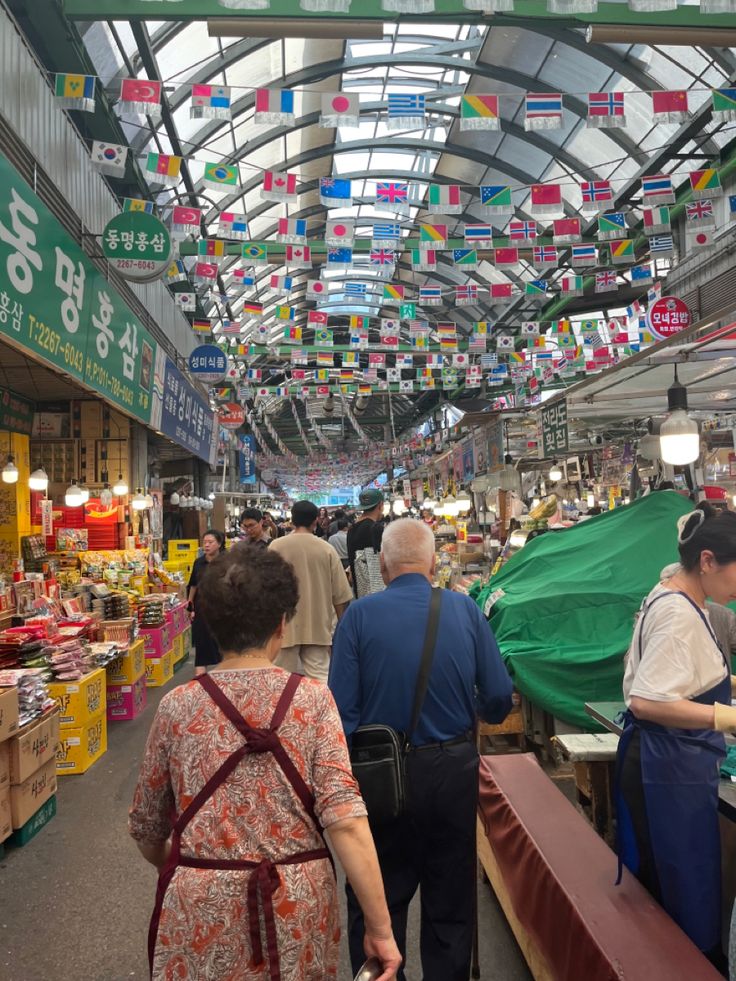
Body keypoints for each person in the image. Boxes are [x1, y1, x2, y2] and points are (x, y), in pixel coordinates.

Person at [129, 547, 401, 981]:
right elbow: (346, 821)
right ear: (281, 624)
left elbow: (147, 827)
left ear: (210, 625)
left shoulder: (177, 707)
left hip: (201, 903)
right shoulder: (313, 700)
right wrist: (380, 928)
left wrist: (183, 864)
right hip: (295, 903)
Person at [329, 519, 514, 981]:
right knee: (450, 902)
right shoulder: (465, 612)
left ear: (383, 566)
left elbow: (339, 714)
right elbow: (496, 699)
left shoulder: (358, 618)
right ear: (433, 564)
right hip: (451, 774)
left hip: (379, 780)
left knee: (377, 903)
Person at [616, 502, 736, 964]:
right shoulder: (679, 614)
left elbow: (687, 672)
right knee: (681, 890)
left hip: (667, 763)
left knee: (673, 886)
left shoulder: (673, 593)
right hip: (667, 770)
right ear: (707, 561)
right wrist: (726, 719)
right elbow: (648, 699)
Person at [270, 501, 354, 682]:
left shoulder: (275, 547)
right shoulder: (326, 550)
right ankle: (321, 711)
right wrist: (341, 631)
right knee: (321, 681)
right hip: (318, 627)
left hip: (283, 627)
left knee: (282, 682)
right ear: (316, 521)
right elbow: (340, 596)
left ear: (292, 519)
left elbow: (264, 590)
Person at [187, 529, 225, 677]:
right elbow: (193, 585)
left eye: (210, 542)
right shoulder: (199, 562)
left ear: (219, 544)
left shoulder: (227, 561)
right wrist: (190, 605)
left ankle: (224, 681)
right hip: (202, 610)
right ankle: (201, 684)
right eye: (205, 542)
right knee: (201, 647)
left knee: (223, 647)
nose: (206, 545)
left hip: (223, 611)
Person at [347, 488, 384, 598]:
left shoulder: (352, 529)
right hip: (376, 590)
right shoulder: (375, 528)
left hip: (360, 591)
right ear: (380, 505)